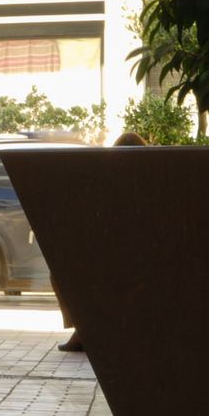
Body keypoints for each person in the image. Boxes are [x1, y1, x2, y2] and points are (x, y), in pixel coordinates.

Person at [57, 131, 148, 353]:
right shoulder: (145, 181)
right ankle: (83, 329)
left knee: (63, 268)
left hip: (127, 257)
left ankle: (82, 329)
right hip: (133, 255)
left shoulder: (110, 183)